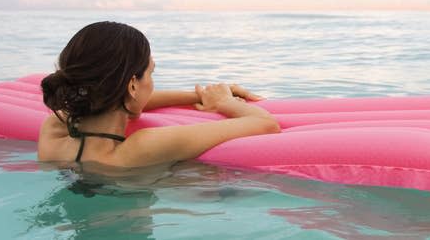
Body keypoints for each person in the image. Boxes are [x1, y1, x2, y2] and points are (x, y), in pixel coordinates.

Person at [38, 21, 280, 167]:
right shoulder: (144, 146)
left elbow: (114, 98)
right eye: (151, 73)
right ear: (132, 86)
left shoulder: (53, 134)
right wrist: (223, 101)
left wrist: (197, 96)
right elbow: (266, 124)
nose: (152, 83)